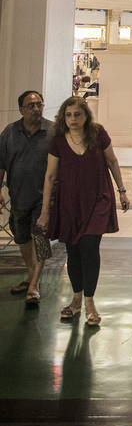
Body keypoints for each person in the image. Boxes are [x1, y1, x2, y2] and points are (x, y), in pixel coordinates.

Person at [37, 96, 129, 326]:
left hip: (98, 199)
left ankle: (89, 301)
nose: (73, 119)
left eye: (77, 114)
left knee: (89, 246)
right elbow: (50, 176)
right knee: (73, 251)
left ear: (86, 115)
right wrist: (45, 211)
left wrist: (122, 189)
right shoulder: (58, 140)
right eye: (68, 115)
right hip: (69, 203)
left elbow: (112, 161)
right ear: (63, 117)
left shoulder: (98, 134)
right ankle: (76, 297)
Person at [0, 91, 54, 306]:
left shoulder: (52, 132)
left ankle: (33, 286)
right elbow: (1, 164)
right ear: (21, 109)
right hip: (19, 195)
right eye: (30, 105)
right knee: (21, 236)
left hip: (45, 198)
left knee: (40, 236)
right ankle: (32, 276)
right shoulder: (9, 133)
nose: (36, 109)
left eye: (39, 104)